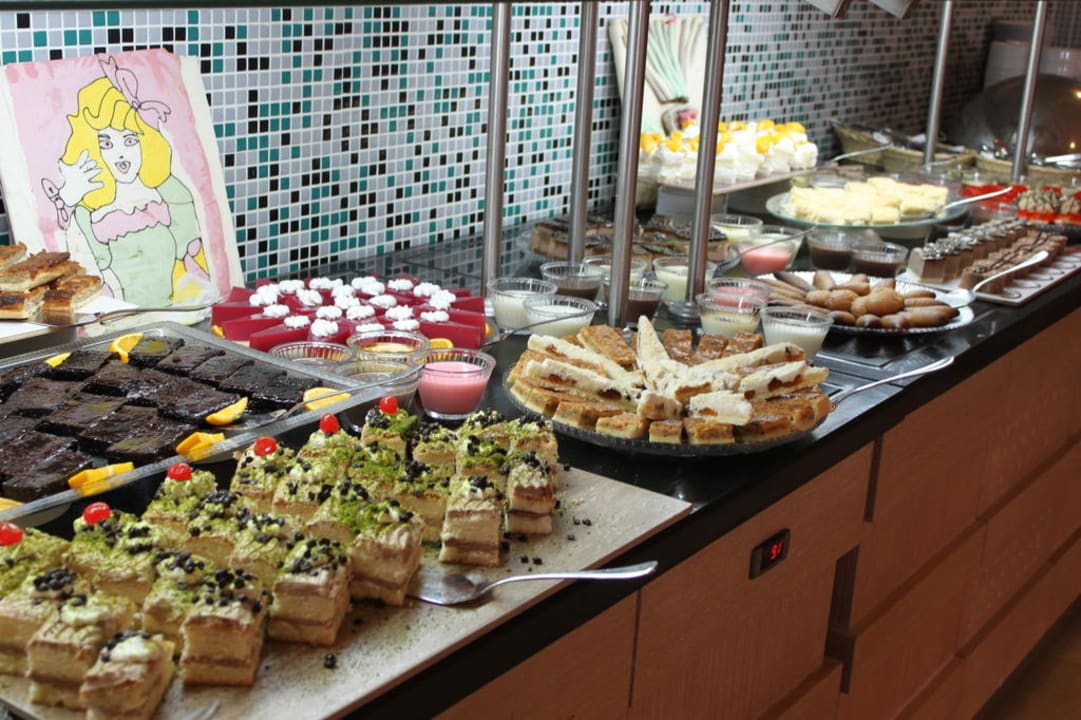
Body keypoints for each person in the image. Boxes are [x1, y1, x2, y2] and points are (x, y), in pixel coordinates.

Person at [43, 56, 210, 306]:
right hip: (115, 320)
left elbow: (194, 262)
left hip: (180, 312)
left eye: (130, 140)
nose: (120, 153)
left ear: (146, 141)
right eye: (106, 143)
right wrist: (69, 199)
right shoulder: (88, 213)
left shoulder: (169, 193)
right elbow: (81, 276)